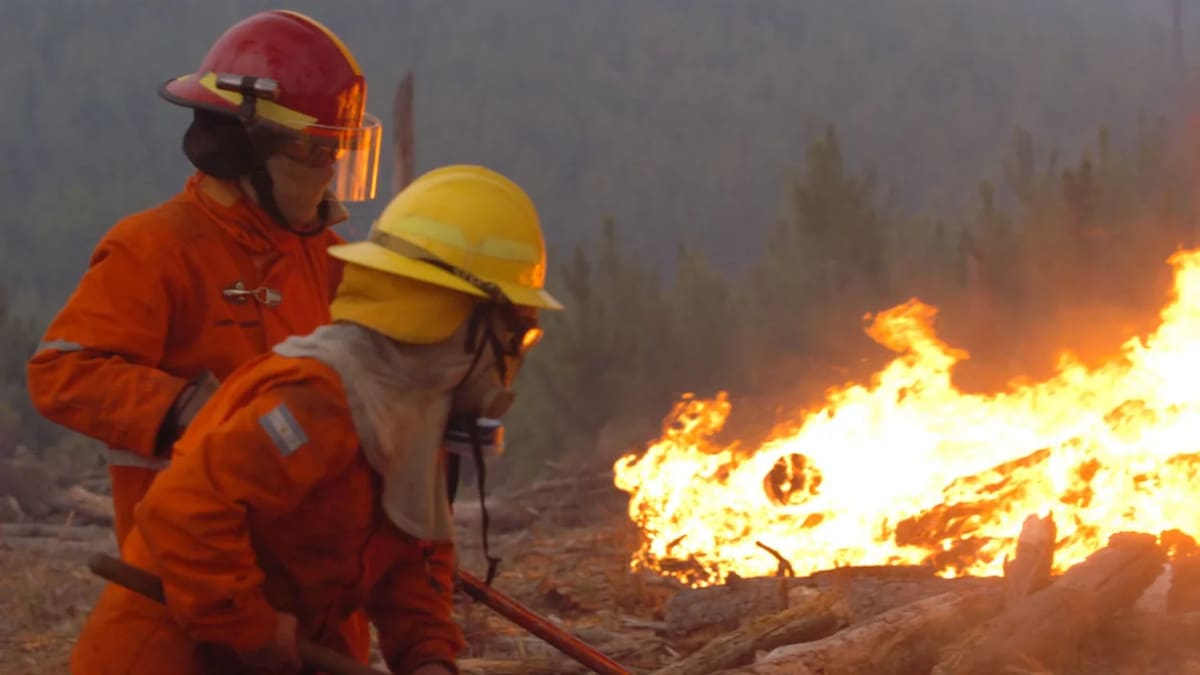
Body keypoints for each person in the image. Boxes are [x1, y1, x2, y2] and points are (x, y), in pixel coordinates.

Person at [69, 164, 564, 675]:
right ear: (462, 320)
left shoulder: (413, 408)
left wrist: (427, 657)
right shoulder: (320, 397)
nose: (515, 355)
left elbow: (409, 559)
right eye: (517, 333)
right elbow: (184, 512)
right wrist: (251, 628)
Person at [26, 9, 382, 549]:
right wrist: (193, 410)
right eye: (315, 149)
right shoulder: (154, 248)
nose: (330, 168)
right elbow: (62, 375)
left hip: (310, 572)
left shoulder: (331, 260)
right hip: (187, 567)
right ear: (244, 146)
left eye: (337, 150)